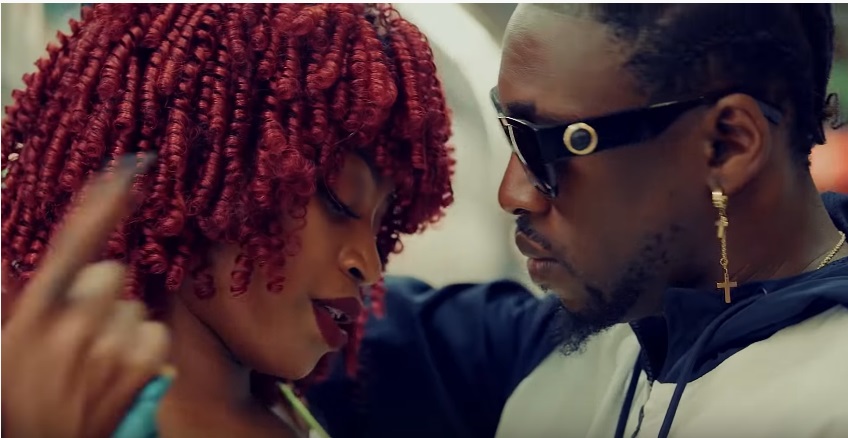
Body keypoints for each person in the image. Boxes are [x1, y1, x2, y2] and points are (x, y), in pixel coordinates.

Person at [306, 4, 848, 438]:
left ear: (727, 145)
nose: (512, 194)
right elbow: (306, 310)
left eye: (545, 145)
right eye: (508, 132)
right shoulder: (568, 342)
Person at [0, 3, 454, 437]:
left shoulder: (293, 409)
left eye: (381, 226)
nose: (369, 266)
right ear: (196, 170)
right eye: (340, 202)